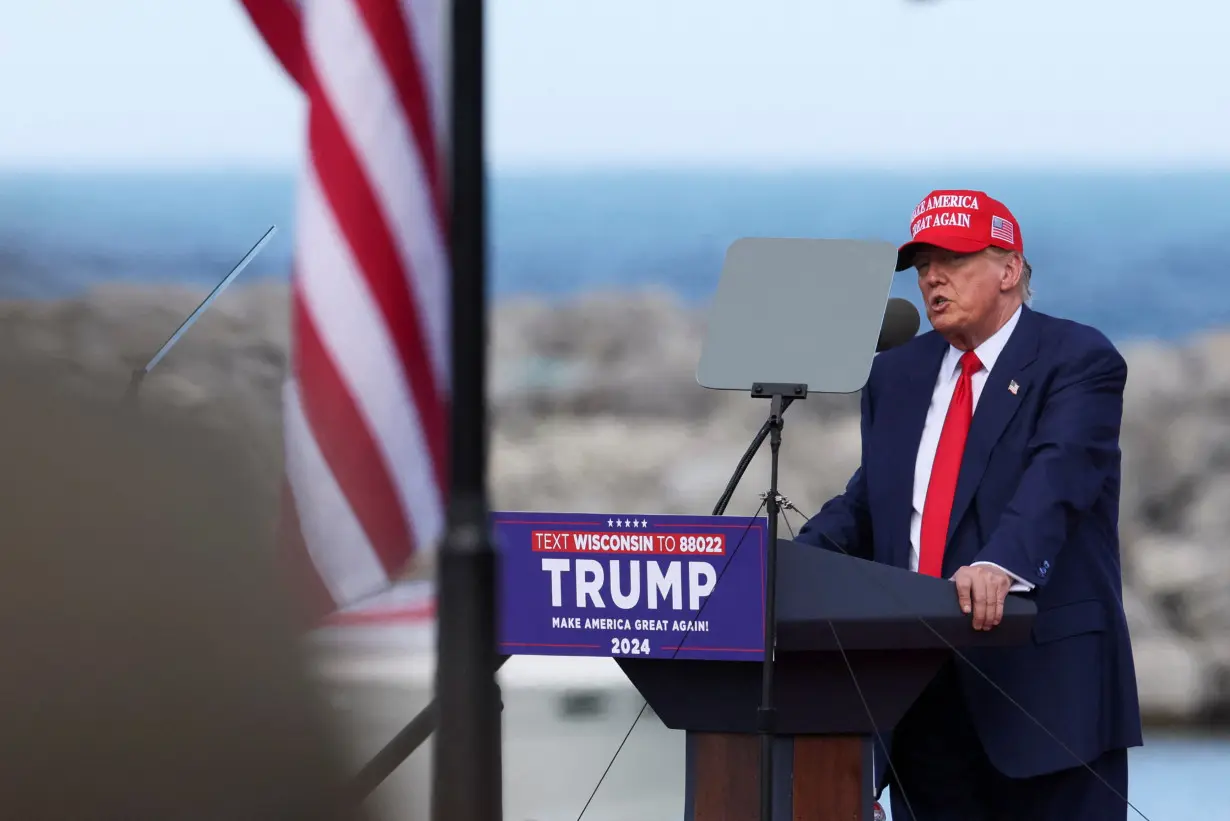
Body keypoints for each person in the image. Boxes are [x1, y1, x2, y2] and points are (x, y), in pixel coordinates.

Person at [795, 189, 1142, 821]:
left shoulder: (1077, 360)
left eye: (953, 259)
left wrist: (1001, 564)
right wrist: (779, 566)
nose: (932, 277)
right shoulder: (897, 372)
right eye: (924, 263)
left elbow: (1057, 478)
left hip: (1045, 696)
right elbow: (874, 500)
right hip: (919, 699)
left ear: (1009, 269)